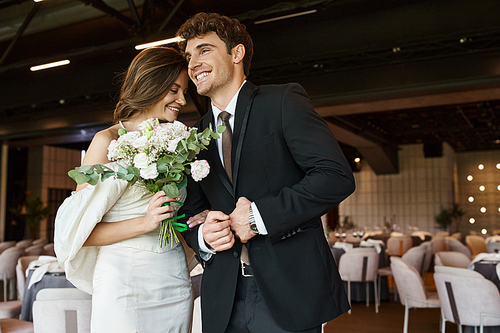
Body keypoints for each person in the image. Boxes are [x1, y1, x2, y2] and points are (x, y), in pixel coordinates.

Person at [177, 12, 356, 333]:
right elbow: (188, 213)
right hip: (223, 299)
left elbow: (335, 175)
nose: (192, 64)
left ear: (236, 53)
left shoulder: (282, 101)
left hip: (289, 292)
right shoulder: (192, 137)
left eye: (204, 50)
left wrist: (258, 217)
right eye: (189, 56)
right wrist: (203, 237)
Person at [54, 46, 201, 333]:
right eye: (174, 90)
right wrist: (144, 223)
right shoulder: (104, 142)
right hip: (122, 281)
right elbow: (80, 234)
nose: (183, 100)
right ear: (150, 86)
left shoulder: (181, 142)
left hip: (173, 278)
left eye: (185, 91)